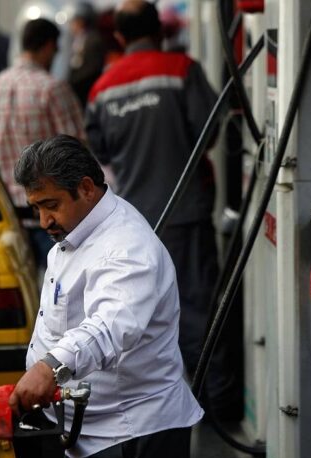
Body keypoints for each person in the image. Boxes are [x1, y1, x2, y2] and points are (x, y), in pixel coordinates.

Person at [9, 134, 203, 458]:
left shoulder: (126, 247)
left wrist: (49, 368)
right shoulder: (77, 231)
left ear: (86, 188)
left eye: (51, 205)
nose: (43, 221)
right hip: (88, 432)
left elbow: (109, 326)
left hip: (132, 437)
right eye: (36, 208)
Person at [85, 0, 219, 375]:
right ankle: (210, 398)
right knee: (199, 313)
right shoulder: (182, 70)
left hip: (136, 224)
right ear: (159, 30)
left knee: (145, 315)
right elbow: (210, 131)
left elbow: (101, 152)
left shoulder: (102, 89)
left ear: (119, 36)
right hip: (187, 215)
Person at [0, 18, 85, 268]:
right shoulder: (52, 89)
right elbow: (78, 152)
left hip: (8, 212)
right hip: (51, 213)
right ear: (49, 46)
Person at [67, 2, 107, 108]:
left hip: (87, 92)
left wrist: (73, 82)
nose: (71, 26)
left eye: (73, 21)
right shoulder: (77, 39)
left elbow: (92, 69)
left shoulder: (93, 40)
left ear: (81, 21)